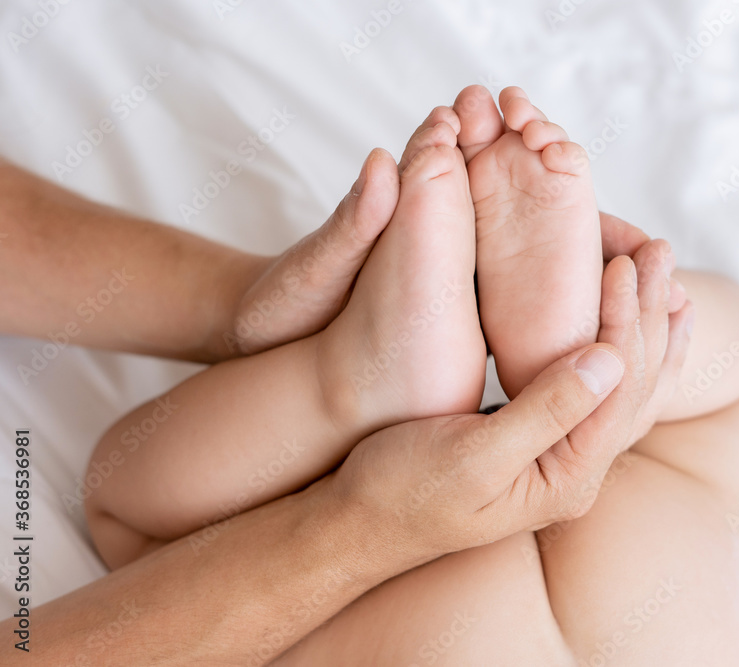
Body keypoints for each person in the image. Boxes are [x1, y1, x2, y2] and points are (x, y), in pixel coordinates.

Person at [0, 88, 699, 663]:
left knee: (130, 514)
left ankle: (362, 385)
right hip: (639, 555)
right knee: (131, 512)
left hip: (644, 576)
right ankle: (563, 355)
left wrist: (238, 306)